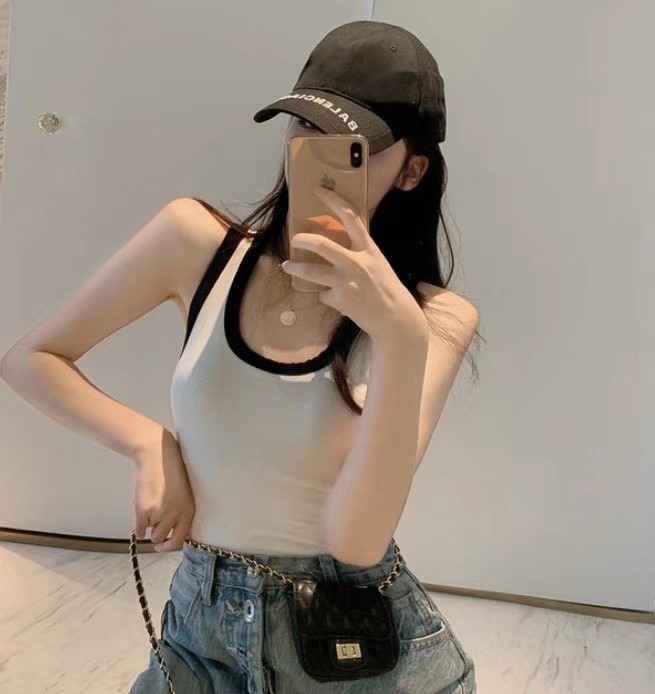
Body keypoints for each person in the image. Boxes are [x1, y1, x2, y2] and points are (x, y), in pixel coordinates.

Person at [0, 19, 480, 694]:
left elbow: (356, 542)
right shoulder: (196, 244)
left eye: (351, 147)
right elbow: (33, 358)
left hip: (353, 644)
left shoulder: (433, 321)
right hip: (204, 627)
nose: (313, 151)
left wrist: (398, 337)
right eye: (304, 126)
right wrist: (147, 444)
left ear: (412, 170)